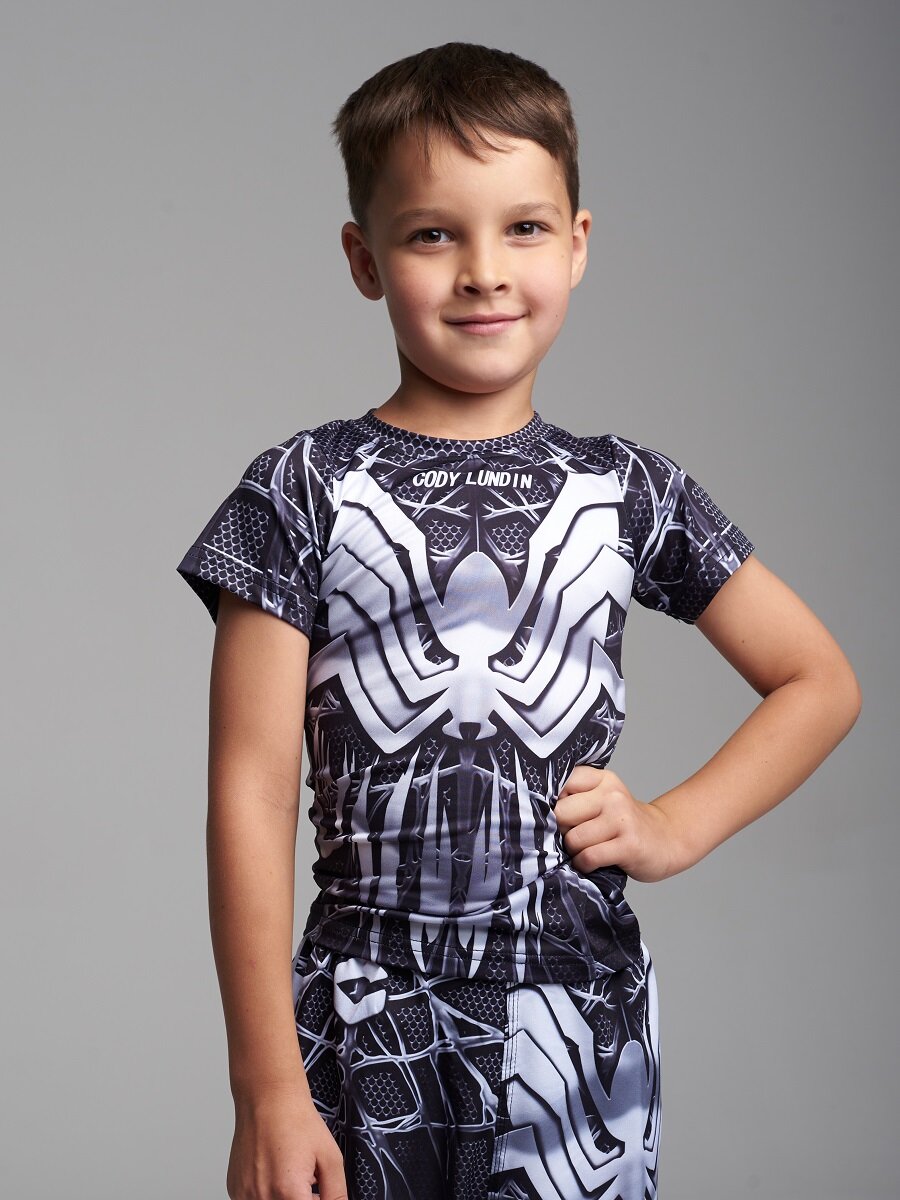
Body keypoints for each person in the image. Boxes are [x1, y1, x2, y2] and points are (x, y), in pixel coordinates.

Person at [176, 41, 861, 1200]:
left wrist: (674, 826)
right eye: (433, 234)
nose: (484, 272)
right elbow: (250, 793)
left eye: (526, 229)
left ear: (579, 244)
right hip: (361, 1020)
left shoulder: (626, 487)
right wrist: (267, 1089)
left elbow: (819, 682)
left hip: (579, 1027)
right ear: (364, 259)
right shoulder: (300, 489)